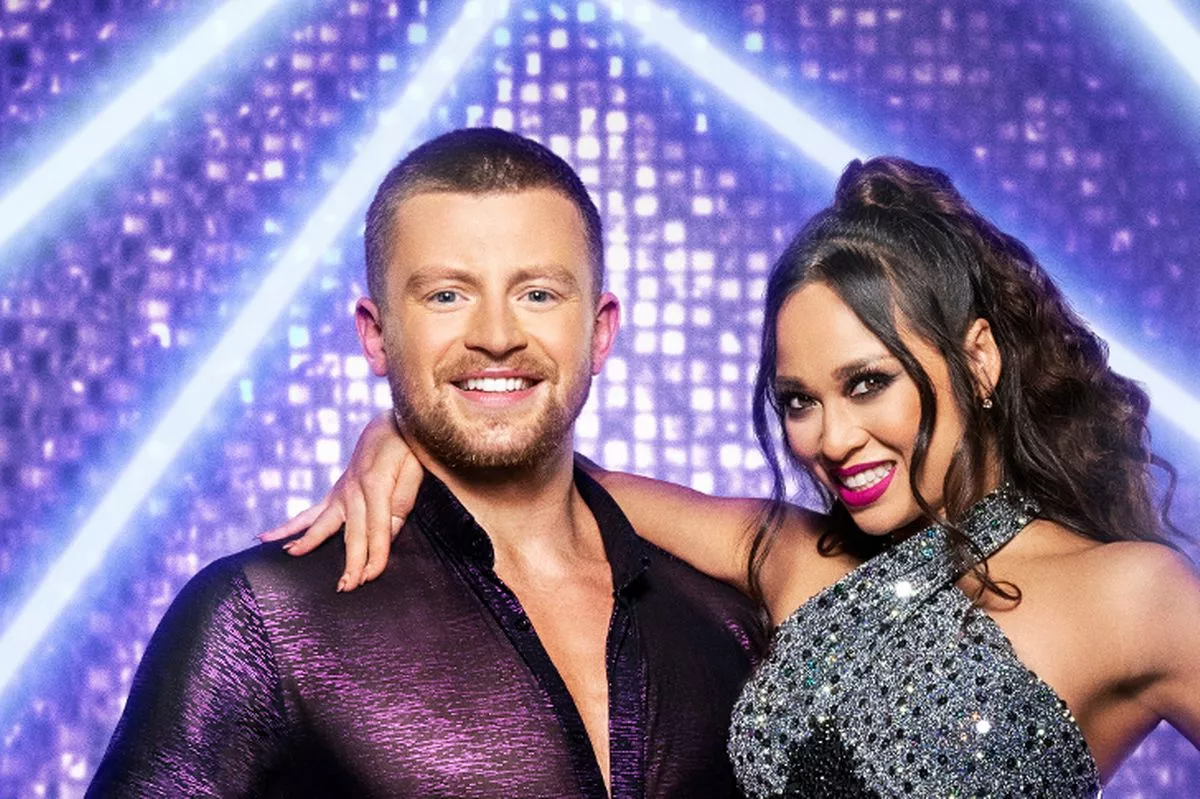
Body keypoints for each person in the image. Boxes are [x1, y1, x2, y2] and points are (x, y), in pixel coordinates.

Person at [275, 156, 1200, 796]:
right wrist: (405, 429)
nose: (832, 439)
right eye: (799, 400)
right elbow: (548, 474)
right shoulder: (793, 555)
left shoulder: (1133, 597)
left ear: (980, 359)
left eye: (867, 383)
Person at [88, 128, 767, 798]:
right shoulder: (262, 620)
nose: (496, 337)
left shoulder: (728, 612)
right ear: (376, 335)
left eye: (538, 293)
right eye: (447, 295)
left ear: (600, 330)